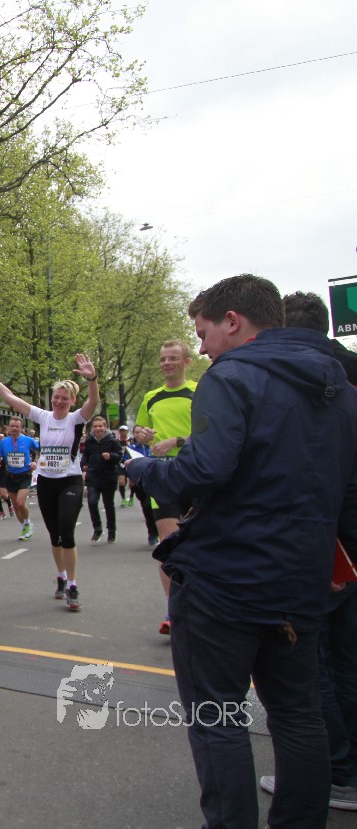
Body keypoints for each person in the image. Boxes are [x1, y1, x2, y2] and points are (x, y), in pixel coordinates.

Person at [127, 274, 357, 829]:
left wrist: (145, 469)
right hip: (303, 579)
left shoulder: (232, 376)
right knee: (299, 715)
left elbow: (202, 471)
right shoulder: (340, 387)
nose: (203, 348)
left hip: (224, 578)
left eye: (203, 333)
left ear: (233, 321)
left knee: (217, 718)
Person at [258, 290, 357, 812]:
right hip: (346, 540)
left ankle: (335, 772)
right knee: (347, 661)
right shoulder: (346, 374)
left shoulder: (292, 380)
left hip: (324, 544)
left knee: (306, 668)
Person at [0, 352, 99, 611]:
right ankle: (61, 576)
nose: (59, 401)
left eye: (64, 398)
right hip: (46, 482)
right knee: (55, 535)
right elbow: (11, 398)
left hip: (70, 481)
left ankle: (73, 584)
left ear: (72, 401)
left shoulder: (77, 418)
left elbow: (93, 402)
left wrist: (93, 380)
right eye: (56, 397)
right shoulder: (43, 416)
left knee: (67, 532)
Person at [135, 339, 196, 635]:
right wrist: (143, 434)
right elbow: (139, 431)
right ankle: (174, 610)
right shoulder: (151, 397)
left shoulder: (200, 392)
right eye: (163, 359)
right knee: (168, 542)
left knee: (199, 542)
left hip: (196, 473)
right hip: (163, 474)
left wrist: (176, 441)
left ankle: (201, 603)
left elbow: (212, 430)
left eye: (173, 358)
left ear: (187, 362)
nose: (166, 363)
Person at [0, 417, 38, 540]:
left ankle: (28, 522)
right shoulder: (4, 442)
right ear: (9, 427)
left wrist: (35, 461)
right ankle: (24, 526)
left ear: (21, 428)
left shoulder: (28, 440)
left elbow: (38, 450)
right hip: (10, 476)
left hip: (24, 475)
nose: (14, 428)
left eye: (17, 426)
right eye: (12, 426)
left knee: (20, 502)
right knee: (16, 505)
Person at [80, 416, 121, 543]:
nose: (98, 429)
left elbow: (119, 455)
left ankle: (111, 531)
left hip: (108, 477)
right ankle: (97, 529)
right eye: (95, 426)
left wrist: (111, 456)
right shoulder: (89, 441)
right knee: (92, 502)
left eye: (100, 426)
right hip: (93, 477)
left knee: (109, 505)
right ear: (92, 428)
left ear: (105, 427)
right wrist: (84, 464)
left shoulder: (112, 441)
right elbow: (85, 455)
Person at [126, 425, 159, 547]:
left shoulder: (154, 446)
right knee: (146, 507)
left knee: (150, 504)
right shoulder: (131, 448)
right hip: (139, 482)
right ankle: (153, 531)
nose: (139, 434)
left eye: (141, 431)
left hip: (155, 480)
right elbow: (124, 463)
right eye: (136, 432)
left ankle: (155, 532)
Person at [115, 424, 131, 506]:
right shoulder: (116, 441)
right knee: (121, 481)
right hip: (121, 463)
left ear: (127, 432)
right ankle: (123, 499)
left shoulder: (131, 440)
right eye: (121, 431)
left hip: (131, 462)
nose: (122, 432)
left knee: (132, 483)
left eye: (124, 431)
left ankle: (131, 497)